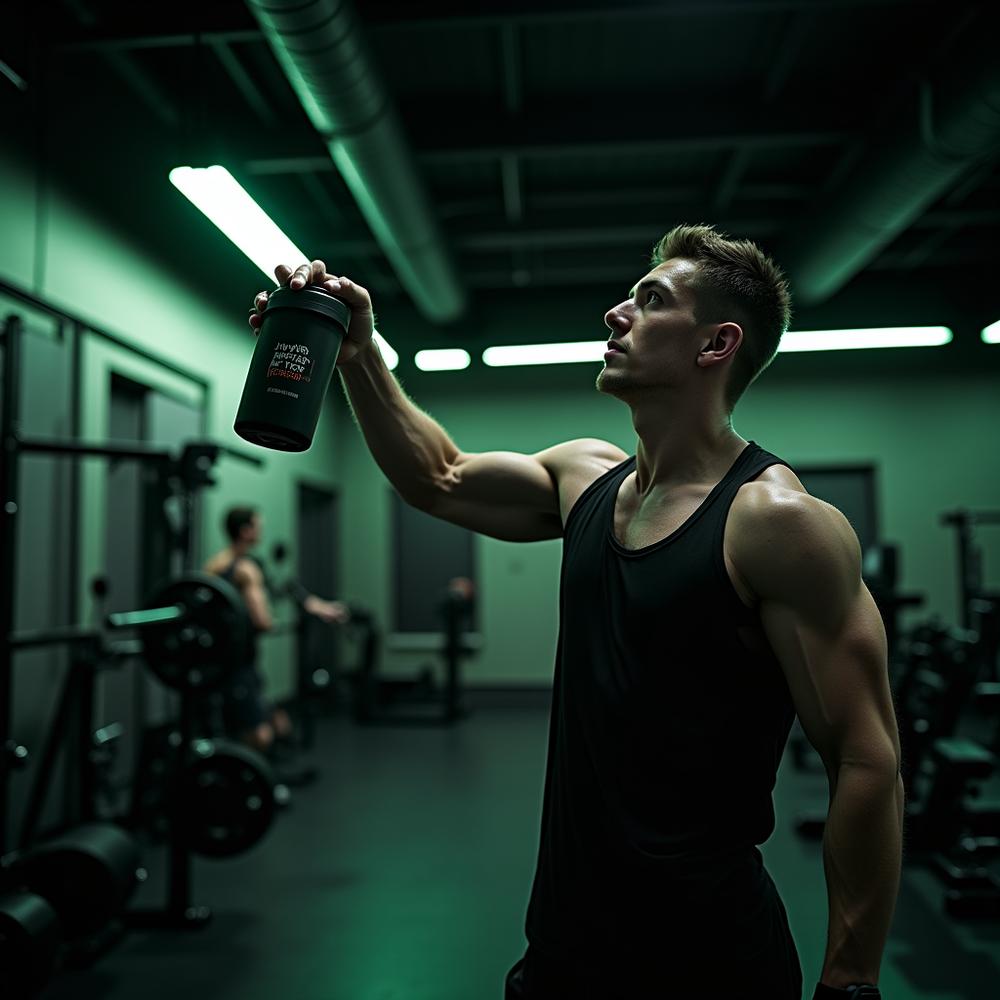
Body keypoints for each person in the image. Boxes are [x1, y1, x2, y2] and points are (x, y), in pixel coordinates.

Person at [250, 224, 903, 999]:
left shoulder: (777, 522)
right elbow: (440, 477)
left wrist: (851, 978)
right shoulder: (585, 476)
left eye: (651, 300)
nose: (614, 314)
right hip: (563, 943)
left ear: (715, 344)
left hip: (709, 958)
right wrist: (360, 354)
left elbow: (866, 758)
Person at [203, 506, 350, 755]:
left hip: (217, 660)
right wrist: (280, 624)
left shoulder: (214, 565)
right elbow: (263, 621)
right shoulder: (246, 570)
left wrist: (319, 607)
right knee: (261, 735)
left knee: (276, 721)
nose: (261, 530)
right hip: (238, 663)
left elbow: (283, 587)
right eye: (257, 525)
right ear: (245, 531)